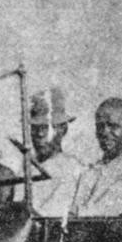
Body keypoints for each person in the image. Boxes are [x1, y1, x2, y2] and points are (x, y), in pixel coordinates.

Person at [29, 87, 84, 217]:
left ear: (63, 129)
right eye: (35, 128)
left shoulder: (71, 168)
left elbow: (52, 215)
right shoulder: (27, 167)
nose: (40, 134)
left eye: (46, 128)